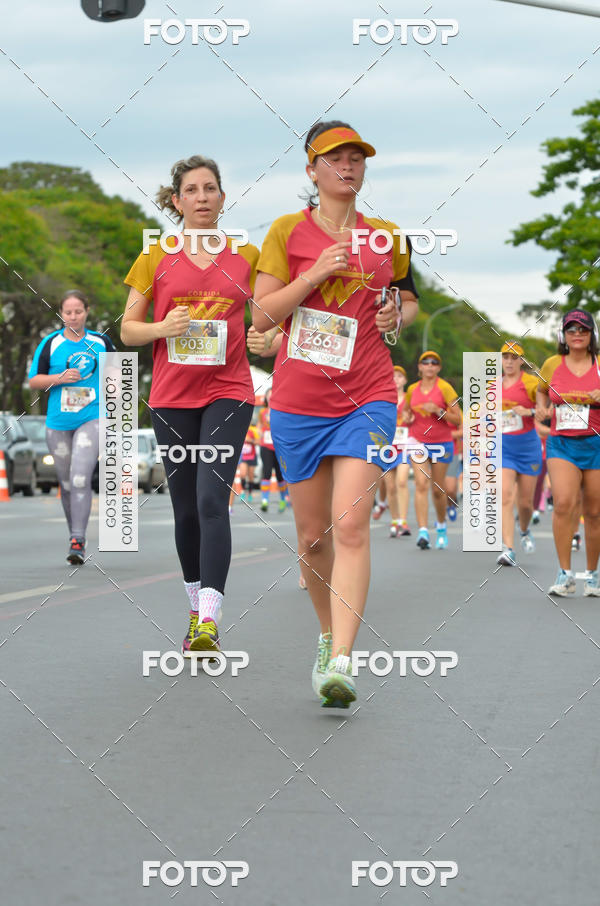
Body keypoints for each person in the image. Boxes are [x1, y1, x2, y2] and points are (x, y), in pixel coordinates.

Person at [252, 120, 418, 707]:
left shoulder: (387, 237)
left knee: (350, 525)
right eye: (335, 158)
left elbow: (406, 294)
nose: (348, 166)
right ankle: (327, 635)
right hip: (299, 402)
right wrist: (314, 274)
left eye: (356, 158)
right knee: (312, 538)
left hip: (368, 396)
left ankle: (344, 658)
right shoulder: (284, 233)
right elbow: (263, 319)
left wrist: (398, 314)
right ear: (312, 169)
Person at [121, 155, 257, 654]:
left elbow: (268, 314)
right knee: (184, 512)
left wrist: (266, 335)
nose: (202, 197)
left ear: (223, 198)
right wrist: (162, 328)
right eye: (192, 190)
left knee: (209, 500)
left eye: (211, 188)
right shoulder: (155, 257)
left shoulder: (248, 256)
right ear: (176, 201)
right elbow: (127, 328)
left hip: (229, 390)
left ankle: (210, 621)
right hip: (172, 396)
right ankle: (194, 605)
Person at [28, 290, 116, 564]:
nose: (73, 316)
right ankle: (74, 537)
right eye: (68, 312)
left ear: (87, 311)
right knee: (66, 482)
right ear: (61, 314)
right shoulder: (50, 343)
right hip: (58, 422)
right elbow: (34, 381)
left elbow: (118, 378)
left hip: (93, 418)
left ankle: (79, 538)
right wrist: (59, 377)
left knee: (79, 477)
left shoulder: (101, 342)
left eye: (78, 311)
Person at [536, 309, 600, 596]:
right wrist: (541, 408)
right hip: (562, 443)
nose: (577, 334)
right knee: (563, 503)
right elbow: (540, 391)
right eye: (571, 329)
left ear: (591, 335)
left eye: (583, 330)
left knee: (595, 511)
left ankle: (593, 574)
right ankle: (565, 574)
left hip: (596, 443)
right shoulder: (552, 364)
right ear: (563, 335)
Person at [403, 350, 461, 550]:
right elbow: (406, 412)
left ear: (439, 367)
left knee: (437, 490)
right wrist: (407, 417)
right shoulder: (412, 389)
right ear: (419, 367)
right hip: (417, 441)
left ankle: (442, 527)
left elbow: (457, 418)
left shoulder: (445, 389)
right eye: (425, 362)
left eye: (434, 363)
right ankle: (423, 532)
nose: (429, 366)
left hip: (441, 443)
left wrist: (439, 411)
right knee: (421, 484)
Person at [496, 342, 543, 566]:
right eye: (505, 357)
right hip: (504, 446)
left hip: (528, 447)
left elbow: (552, 407)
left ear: (522, 361)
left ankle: (523, 530)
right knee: (505, 494)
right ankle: (508, 548)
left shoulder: (532, 383)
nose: (509, 361)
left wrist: (530, 411)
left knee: (525, 504)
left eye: (514, 357)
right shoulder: (492, 385)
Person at [384, 365, 413, 537]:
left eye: (400, 376)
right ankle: (394, 521)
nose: (396, 379)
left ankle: (403, 521)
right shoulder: (385, 398)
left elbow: (416, 417)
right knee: (390, 486)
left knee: (402, 481)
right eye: (393, 376)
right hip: (387, 447)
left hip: (404, 447)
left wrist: (412, 418)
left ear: (405, 380)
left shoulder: (409, 399)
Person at [258, 389, 288, 512]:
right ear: (265, 398)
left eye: (272, 396)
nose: (270, 398)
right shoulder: (262, 412)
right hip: (266, 445)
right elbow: (260, 425)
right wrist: (260, 432)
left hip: (279, 446)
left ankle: (283, 500)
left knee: (281, 475)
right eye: (268, 396)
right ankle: (264, 501)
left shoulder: (281, 411)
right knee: (266, 473)